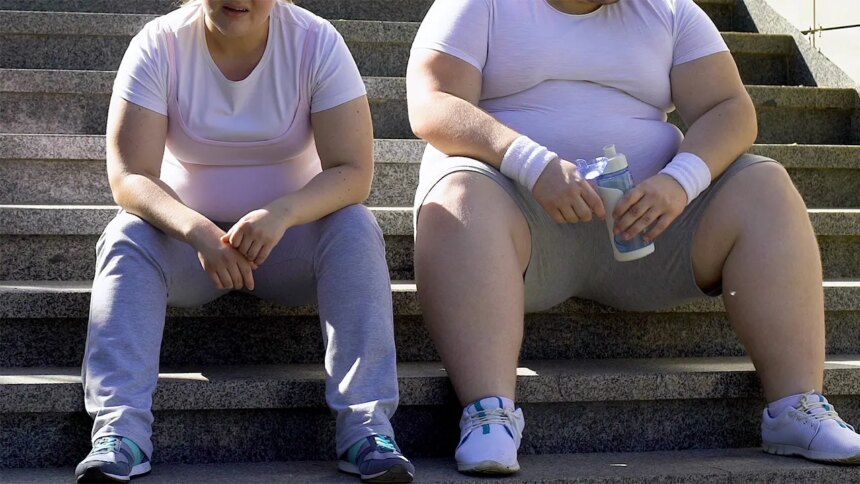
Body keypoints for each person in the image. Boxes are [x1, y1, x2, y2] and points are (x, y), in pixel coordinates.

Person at [406, 0, 860, 475]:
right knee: (459, 191)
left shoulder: (671, 10)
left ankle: (796, 406)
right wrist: (532, 164)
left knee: (765, 184)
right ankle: (488, 413)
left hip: (649, 229)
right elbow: (433, 100)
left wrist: (680, 181)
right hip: (519, 225)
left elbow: (730, 109)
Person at [75, 0, 415, 482]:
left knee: (356, 226)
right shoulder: (159, 44)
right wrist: (197, 231)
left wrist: (282, 214)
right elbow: (130, 176)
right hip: (191, 253)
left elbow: (353, 172)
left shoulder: (316, 42)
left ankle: (367, 429)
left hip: (286, 246)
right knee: (126, 234)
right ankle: (119, 432)